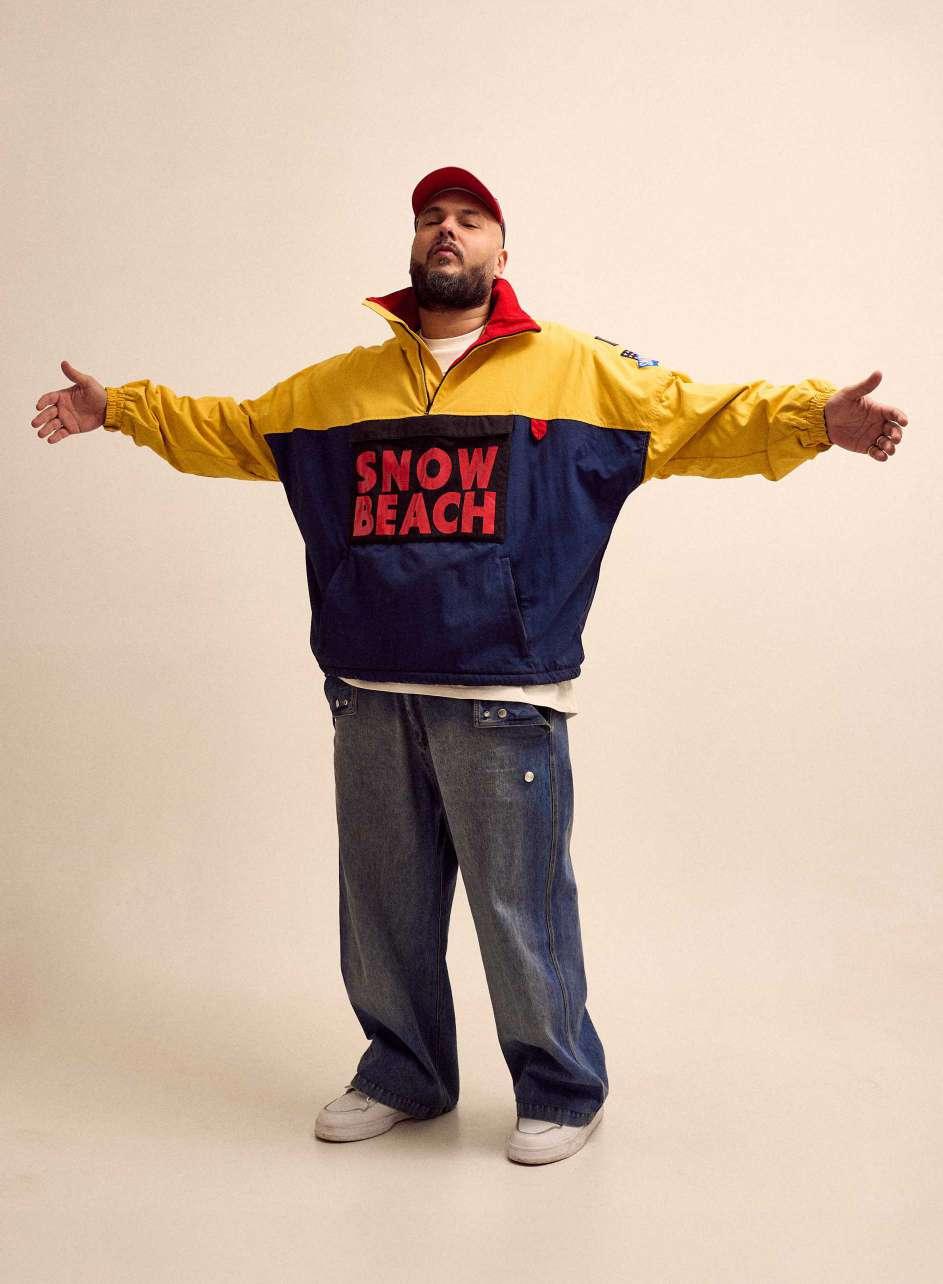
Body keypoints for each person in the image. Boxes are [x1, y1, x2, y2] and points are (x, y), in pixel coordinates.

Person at [31, 165, 908, 1167]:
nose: (446, 230)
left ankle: (562, 1088)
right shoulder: (338, 387)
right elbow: (232, 429)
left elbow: (702, 415)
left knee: (518, 909)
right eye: (429, 218)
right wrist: (121, 408)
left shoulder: (576, 368)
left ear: (501, 250)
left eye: (469, 218)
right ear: (413, 247)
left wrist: (815, 418)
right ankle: (403, 1074)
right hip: (370, 690)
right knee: (382, 910)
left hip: (503, 693)